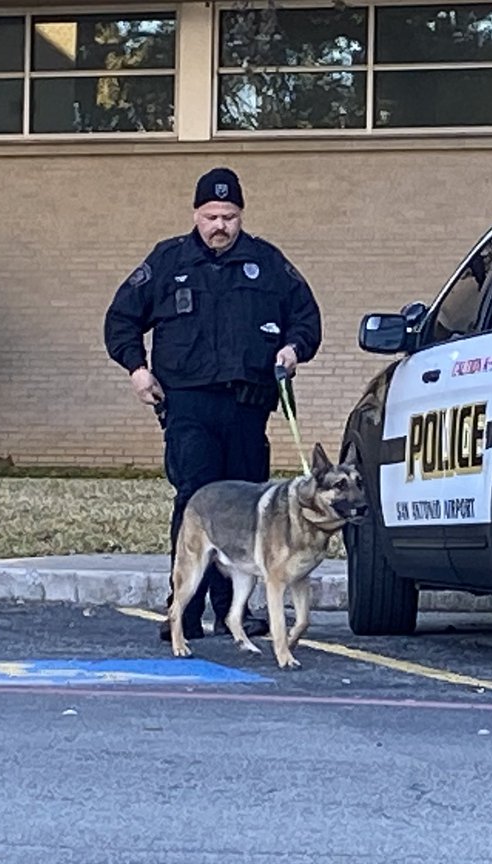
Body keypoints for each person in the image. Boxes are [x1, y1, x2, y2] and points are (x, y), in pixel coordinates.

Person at [104, 167, 322, 641]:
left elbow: (305, 317)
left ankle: (233, 614)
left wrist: (293, 349)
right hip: (188, 406)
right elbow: (121, 319)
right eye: (211, 216)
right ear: (196, 215)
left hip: (247, 407)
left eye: (229, 216)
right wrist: (137, 370)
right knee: (195, 501)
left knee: (246, 506)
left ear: (241, 215)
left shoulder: (266, 263)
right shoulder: (168, 261)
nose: (220, 224)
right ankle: (182, 610)